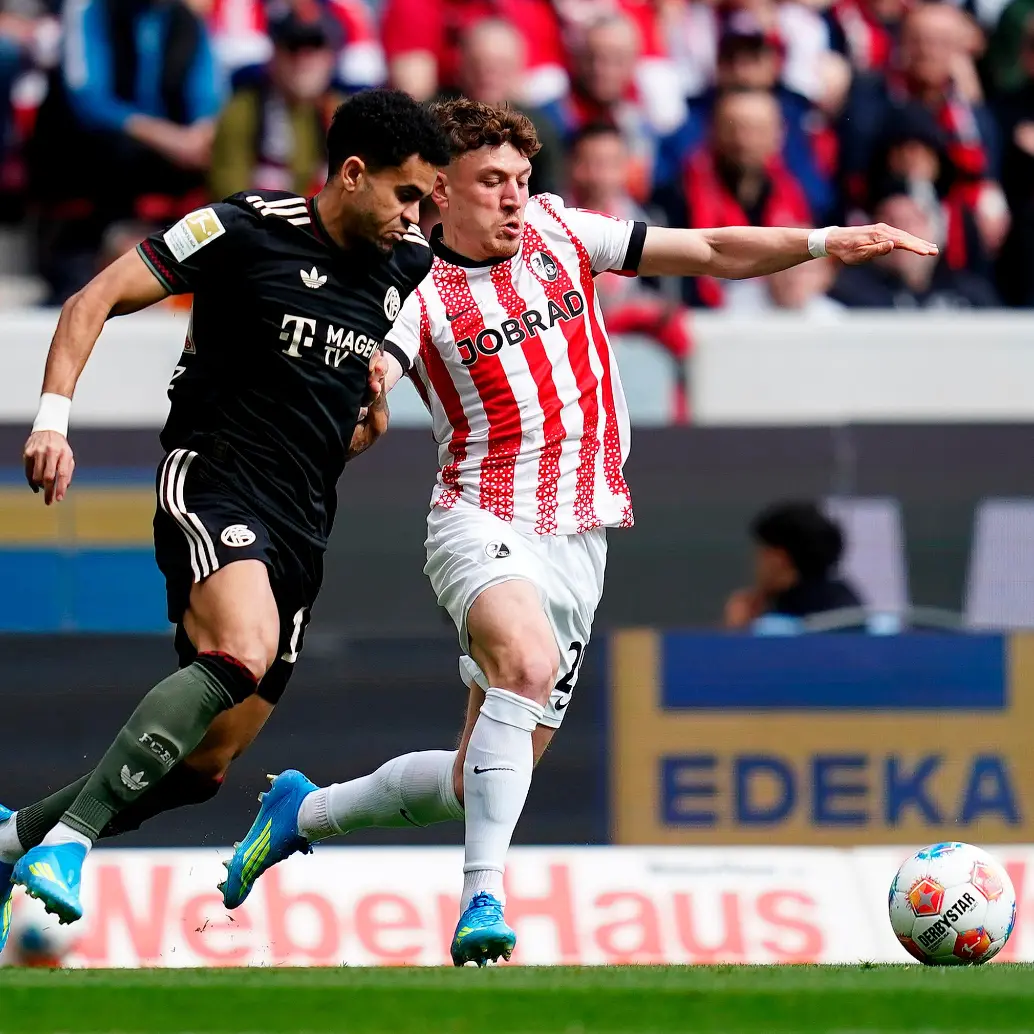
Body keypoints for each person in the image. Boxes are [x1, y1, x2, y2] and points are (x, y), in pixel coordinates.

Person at [219, 97, 937, 968]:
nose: (515, 198)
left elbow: (708, 249)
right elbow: (378, 383)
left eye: (522, 180)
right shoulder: (410, 287)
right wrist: (366, 397)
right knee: (523, 666)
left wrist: (823, 240)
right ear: (440, 191)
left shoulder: (563, 229)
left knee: (473, 775)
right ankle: (483, 897)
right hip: (480, 519)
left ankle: (302, 812)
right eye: (493, 182)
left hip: (581, 537)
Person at [0, 88, 451, 948]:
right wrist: (53, 420)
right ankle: (63, 850)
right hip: (213, 480)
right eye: (404, 195)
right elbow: (91, 299)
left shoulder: (405, 267)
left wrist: (364, 420)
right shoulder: (243, 227)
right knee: (238, 650)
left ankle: (11, 838)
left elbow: (338, 408)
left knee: (204, 766)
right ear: (352, 174)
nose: (414, 217)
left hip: (303, 521)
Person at [723, 501, 863, 629]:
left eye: (761, 554)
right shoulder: (848, 605)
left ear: (777, 559)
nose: (755, 564)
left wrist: (739, 631)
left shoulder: (777, 626)